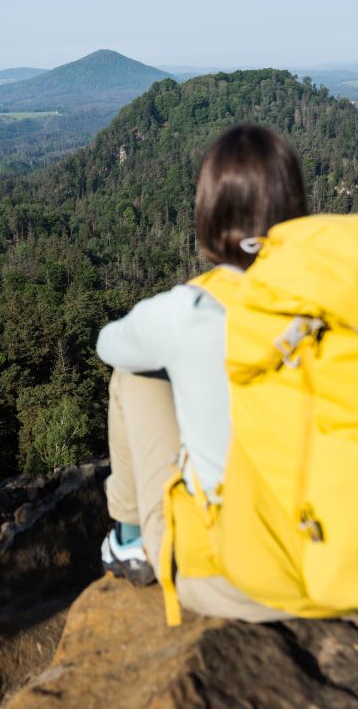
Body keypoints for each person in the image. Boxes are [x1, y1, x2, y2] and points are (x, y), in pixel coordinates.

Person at [96, 124, 308, 621]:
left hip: (234, 583)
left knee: (134, 375)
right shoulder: (333, 298)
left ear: (209, 214)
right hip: (339, 566)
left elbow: (110, 346)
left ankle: (130, 541)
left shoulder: (190, 309)